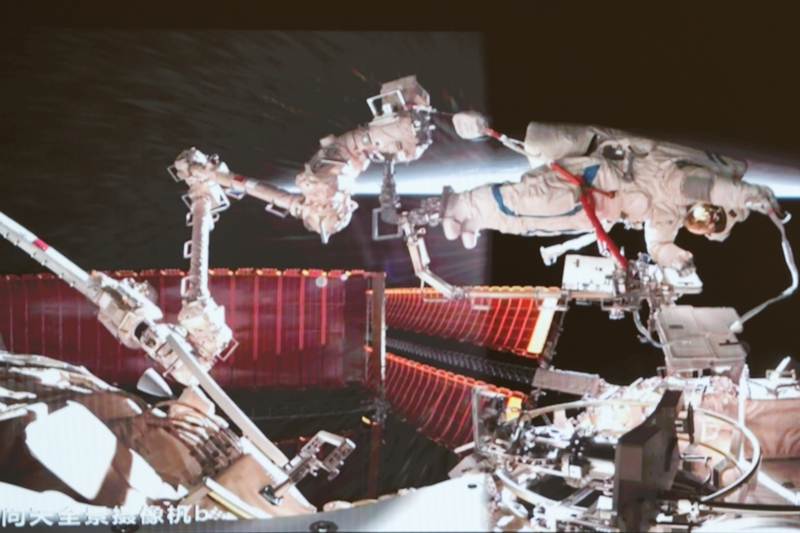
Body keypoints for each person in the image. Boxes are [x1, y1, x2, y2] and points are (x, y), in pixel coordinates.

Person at [442, 113, 785, 275]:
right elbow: (706, 187)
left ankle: (475, 220)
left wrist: (678, 259)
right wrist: (748, 195)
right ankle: (461, 204)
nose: (702, 220)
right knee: (527, 199)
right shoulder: (683, 178)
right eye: (710, 214)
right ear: (712, 204)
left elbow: (658, 245)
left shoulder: (671, 215)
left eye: (705, 226)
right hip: (598, 180)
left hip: (601, 209)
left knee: (532, 225)